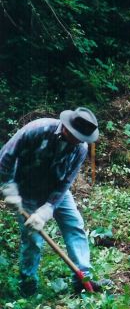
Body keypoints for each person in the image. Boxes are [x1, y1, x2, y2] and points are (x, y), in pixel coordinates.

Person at [0, 107, 111, 296]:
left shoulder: (80, 148)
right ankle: (28, 285)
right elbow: (6, 156)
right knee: (33, 238)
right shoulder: (37, 129)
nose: (79, 141)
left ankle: (82, 279)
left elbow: (67, 181)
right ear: (67, 127)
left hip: (55, 189)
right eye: (77, 136)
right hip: (25, 190)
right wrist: (9, 188)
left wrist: (48, 208)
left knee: (74, 225)